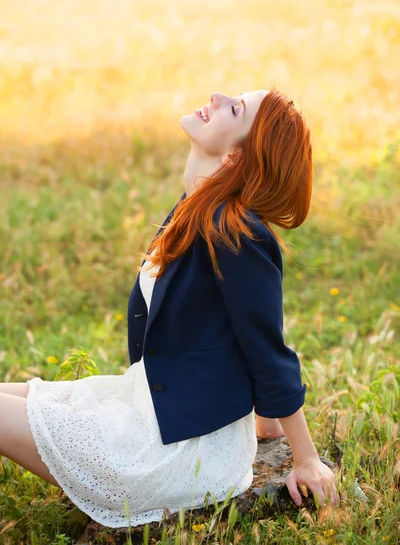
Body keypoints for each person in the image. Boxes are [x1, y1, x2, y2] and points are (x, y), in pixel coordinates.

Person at [0, 88, 340, 528]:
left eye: (234, 108)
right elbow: (225, 330)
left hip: (174, 450)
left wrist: (306, 458)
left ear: (236, 157)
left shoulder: (238, 232)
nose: (217, 96)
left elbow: (265, 347)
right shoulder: (194, 207)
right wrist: (263, 419)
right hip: (150, 407)